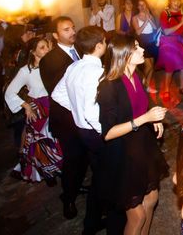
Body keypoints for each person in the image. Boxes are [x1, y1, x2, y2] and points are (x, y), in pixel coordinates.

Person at [96, 34, 169, 235]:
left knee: (151, 199)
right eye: (136, 47)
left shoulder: (135, 74)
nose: (142, 50)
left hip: (142, 146)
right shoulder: (109, 86)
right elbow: (108, 133)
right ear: (124, 54)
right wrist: (144, 119)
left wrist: (153, 117)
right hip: (123, 154)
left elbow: (143, 101)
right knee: (137, 216)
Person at [51, 25, 111, 234]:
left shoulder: (74, 67)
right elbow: (91, 111)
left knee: (100, 175)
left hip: (81, 130)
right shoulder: (97, 72)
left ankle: (93, 219)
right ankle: (99, 220)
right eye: (104, 41)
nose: (106, 44)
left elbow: (58, 95)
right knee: (108, 174)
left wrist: (75, 109)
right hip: (95, 132)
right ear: (98, 46)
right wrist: (106, 131)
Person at [40, 16, 85, 220]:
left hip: (84, 115)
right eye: (66, 30)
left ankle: (77, 185)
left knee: (85, 158)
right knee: (72, 160)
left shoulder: (81, 51)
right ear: (56, 35)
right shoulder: (50, 60)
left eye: (73, 27)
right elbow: (56, 92)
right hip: (67, 120)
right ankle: (68, 198)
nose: (72, 32)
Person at [5, 36, 62, 184]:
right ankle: (47, 172)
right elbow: (9, 92)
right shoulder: (26, 71)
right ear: (33, 52)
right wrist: (26, 106)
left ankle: (57, 169)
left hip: (55, 105)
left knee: (58, 141)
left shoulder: (53, 65)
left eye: (48, 46)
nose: (47, 50)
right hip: (40, 110)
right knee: (43, 144)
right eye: (42, 48)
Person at [157, 0, 183, 101]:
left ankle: (182, 87)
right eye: (174, 0)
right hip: (169, 43)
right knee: (170, 68)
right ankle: (166, 90)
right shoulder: (165, 13)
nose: (176, 3)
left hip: (181, 42)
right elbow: (166, 31)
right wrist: (180, 23)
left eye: (178, 0)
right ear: (169, 1)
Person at [132, 0, 159, 91]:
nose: (142, 7)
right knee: (149, 66)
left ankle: (146, 85)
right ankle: (140, 82)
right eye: (140, 5)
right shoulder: (135, 18)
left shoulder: (149, 15)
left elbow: (155, 27)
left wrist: (149, 18)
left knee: (152, 66)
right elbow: (138, 32)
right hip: (143, 42)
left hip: (151, 41)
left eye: (144, 4)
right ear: (138, 7)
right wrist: (146, 21)